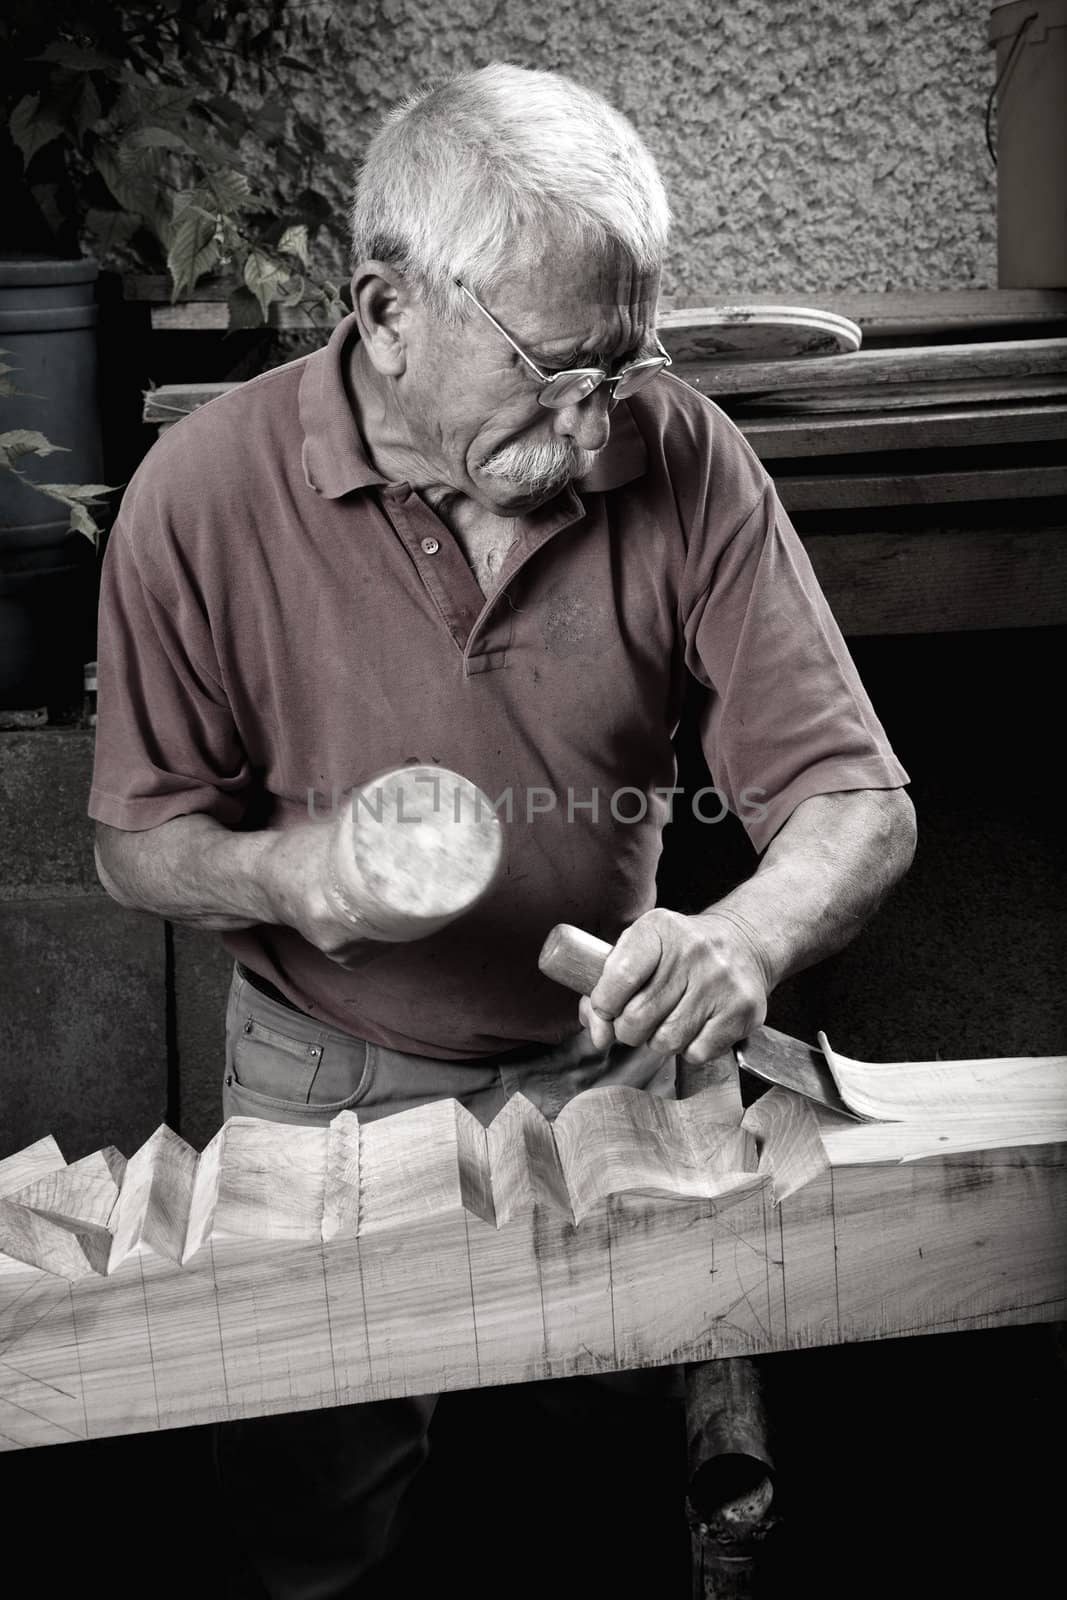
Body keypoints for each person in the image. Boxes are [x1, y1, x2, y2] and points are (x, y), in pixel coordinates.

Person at [90, 62, 915, 1599]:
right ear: (389, 310)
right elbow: (137, 841)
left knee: (593, 1515)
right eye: (557, 369)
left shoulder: (676, 456)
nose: (601, 418)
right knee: (309, 1531)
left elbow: (855, 799)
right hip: (317, 1078)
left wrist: (744, 937)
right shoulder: (198, 495)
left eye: (627, 362)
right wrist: (289, 871)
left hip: (607, 1064)